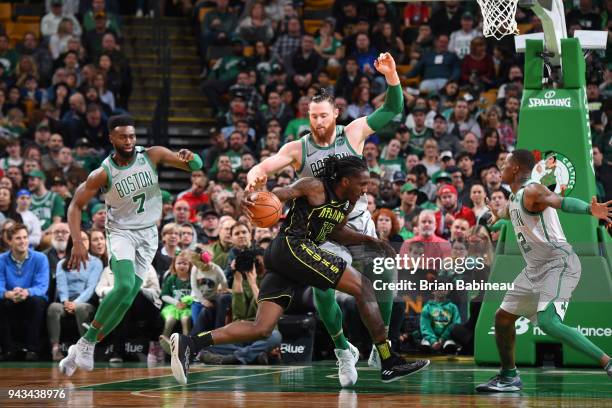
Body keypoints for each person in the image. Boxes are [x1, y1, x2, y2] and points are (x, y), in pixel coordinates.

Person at [171, 156, 430, 385]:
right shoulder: (315, 186)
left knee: (262, 327)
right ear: (344, 181)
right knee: (363, 287)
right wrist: (256, 199)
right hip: (292, 246)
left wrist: (371, 241)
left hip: (285, 258)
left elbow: (336, 232)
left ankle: (191, 343)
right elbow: (282, 194)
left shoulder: (347, 203)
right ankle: (388, 359)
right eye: (361, 184)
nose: (365, 190)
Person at [243, 52, 402, 387]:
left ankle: (381, 346)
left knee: (384, 280)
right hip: (321, 229)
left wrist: (391, 76)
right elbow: (269, 164)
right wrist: (256, 173)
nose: (317, 121)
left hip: (358, 221)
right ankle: (343, 350)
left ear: (335, 114)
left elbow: (391, 110)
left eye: (323, 115)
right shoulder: (298, 148)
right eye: (313, 115)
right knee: (323, 291)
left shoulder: (354, 132)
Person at [58, 115, 203, 376]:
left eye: (132, 136)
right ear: (111, 138)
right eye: (123, 136)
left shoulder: (153, 155)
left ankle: (79, 348)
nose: (129, 141)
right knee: (123, 285)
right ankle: (89, 340)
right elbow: (75, 206)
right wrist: (78, 241)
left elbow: (196, 166)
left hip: (148, 234)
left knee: (125, 300)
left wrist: (190, 157)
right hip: (121, 232)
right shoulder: (102, 173)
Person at [476, 150, 612, 392]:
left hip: (559, 262)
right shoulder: (515, 197)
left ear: (516, 168)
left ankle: (608, 363)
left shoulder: (533, 190)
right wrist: (498, 216)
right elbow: (510, 213)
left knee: (548, 322)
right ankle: (509, 377)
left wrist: (590, 210)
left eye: (505, 164)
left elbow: (560, 202)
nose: (501, 169)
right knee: (503, 318)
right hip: (535, 269)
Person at [47, 232, 102, 361]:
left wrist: (75, 303)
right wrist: (66, 301)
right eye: (79, 240)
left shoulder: (96, 262)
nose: (83, 242)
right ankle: (55, 349)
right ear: (73, 243)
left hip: (85, 302)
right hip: (66, 301)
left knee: (81, 308)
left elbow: (91, 287)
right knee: (53, 308)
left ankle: (85, 349)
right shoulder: (62, 264)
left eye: (85, 239)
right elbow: (62, 286)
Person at [0, 223, 49, 361]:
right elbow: (0, 285)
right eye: (18, 238)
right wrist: (7, 294)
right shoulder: (1, 260)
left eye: (25, 237)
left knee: (36, 301)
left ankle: (32, 350)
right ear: (9, 241)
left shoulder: (40, 258)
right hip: (11, 298)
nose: (23, 241)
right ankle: (7, 350)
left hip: (32, 298)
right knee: (1, 302)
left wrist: (26, 292)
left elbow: (42, 287)